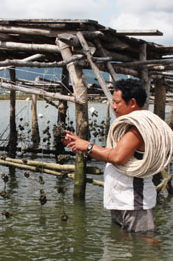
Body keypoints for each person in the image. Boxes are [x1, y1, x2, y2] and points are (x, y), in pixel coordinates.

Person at [62, 79, 156, 233]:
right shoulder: (127, 128)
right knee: (124, 245)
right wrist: (80, 143)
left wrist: (87, 146)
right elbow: (112, 155)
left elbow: (117, 157)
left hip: (135, 203)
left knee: (145, 246)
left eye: (117, 102)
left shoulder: (137, 129)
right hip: (121, 200)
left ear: (132, 102)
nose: (113, 106)